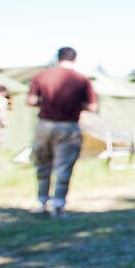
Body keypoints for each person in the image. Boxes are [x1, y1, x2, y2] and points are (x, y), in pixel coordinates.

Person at [27, 47, 97, 217]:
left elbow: (31, 101)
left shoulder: (42, 76)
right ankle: (58, 205)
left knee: (43, 162)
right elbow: (93, 107)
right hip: (68, 126)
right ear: (74, 59)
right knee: (64, 166)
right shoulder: (82, 81)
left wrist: (46, 105)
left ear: (58, 57)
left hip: (45, 125)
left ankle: (42, 202)